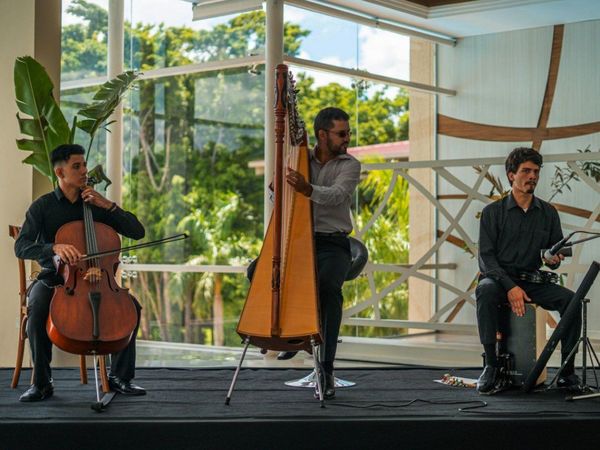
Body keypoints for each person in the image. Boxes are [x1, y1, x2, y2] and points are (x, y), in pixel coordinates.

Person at [15, 144, 147, 402]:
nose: (85, 170)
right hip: (56, 280)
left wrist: (108, 205)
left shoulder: (95, 204)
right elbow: (21, 246)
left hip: (100, 278)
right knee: (38, 306)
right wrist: (54, 246)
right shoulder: (42, 207)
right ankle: (42, 383)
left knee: (132, 307)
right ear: (60, 172)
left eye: (84, 165)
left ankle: (120, 378)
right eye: (77, 166)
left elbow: (137, 231)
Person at [475, 147, 582, 394]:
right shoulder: (493, 213)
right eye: (526, 170)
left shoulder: (548, 213)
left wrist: (553, 259)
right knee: (485, 291)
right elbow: (486, 259)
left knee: (571, 301)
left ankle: (567, 372)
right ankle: (491, 366)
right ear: (512, 175)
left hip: (532, 281)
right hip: (500, 281)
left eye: (535, 171)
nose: (532, 176)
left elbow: (554, 253)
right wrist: (510, 287)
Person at [285, 107, 361, 399]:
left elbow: (337, 196)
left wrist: (306, 189)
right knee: (258, 272)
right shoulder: (298, 159)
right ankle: (294, 337)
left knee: (329, 286)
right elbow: (277, 196)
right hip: (298, 240)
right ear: (321, 135)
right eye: (342, 134)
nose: (347, 139)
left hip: (333, 244)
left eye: (348, 133)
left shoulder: (349, 165)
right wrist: (276, 188)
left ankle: (326, 368)